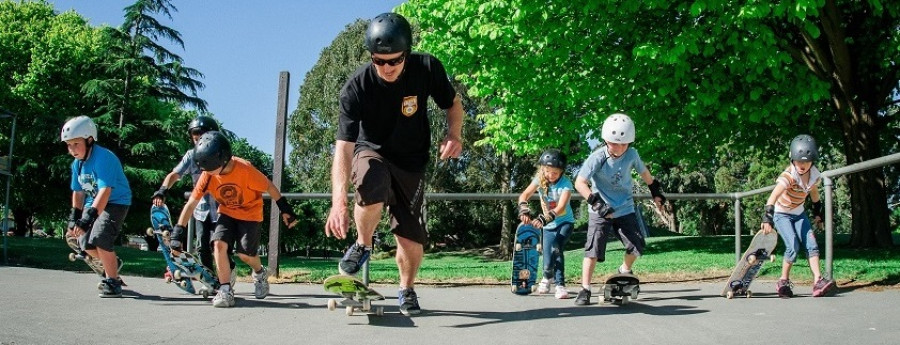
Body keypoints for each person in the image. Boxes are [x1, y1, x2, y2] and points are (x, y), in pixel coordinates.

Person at [324, 12, 463, 316]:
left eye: (394, 61)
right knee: (372, 180)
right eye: (378, 61)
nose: (386, 68)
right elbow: (344, 148)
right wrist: (338, 203)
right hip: (371, 150)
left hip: (412, 161)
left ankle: (407, 289)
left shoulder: (426, 68)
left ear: (407, 54)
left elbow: (453, 103)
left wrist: (454, 134)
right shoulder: (356, 87)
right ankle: (363, 244)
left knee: (410, 238)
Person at [171, 131, 299, 308]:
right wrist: (178, 231)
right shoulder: (208, 176)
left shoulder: (245, 170)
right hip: (227, 212)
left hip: (250, 214)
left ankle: (260, 273)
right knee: (218, 244)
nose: (204, 172)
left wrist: (285, 209)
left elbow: (269, 186)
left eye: (208, 168)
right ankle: (225, 290)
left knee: (245, 255)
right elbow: (192, 203)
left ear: (222, 160)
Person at [573, 113, 666, 306]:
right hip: (600, 209)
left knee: (638, 244)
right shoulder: (597, 157)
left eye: (625, 144)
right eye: (616, 144)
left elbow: (645, 173)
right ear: (606, 140)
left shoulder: (632, 154)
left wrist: (655, 191)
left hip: (625, 207)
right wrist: (596, 203)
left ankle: (624, 270)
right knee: (593, 250)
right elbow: (580, 182)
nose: (620, 148)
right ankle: (585, 289)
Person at [151, 115, 235, 287]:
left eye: (201, 139)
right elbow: (175, 174)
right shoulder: (191, 156)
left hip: (223, 209)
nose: (198, 144)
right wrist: (162, 190)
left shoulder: (223, 155)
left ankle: (228, 272)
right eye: (195, 140)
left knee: (219, 246)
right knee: (202, 246)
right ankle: (210, 280)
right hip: (201, 209)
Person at [61, 116, 132, 298]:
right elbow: (78, 192)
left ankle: (113, 282)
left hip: (116, 201)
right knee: (83, 242)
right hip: (93, 202)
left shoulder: (104, 158)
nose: (72, 150)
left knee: (100, 237)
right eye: (69, 145)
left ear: (89, 140)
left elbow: (105, 191)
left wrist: (87, 218)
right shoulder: (77, 164)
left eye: (76, 144)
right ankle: (112, 263)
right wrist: (74, 217)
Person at [760, 134, 835, 298]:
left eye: (807, 162)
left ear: (812, 161)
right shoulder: (788, 176)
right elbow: (772, 198)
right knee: (793, 246)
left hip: (799, 213)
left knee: (811, 244)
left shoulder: (814, 175)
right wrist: (767, 219)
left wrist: (818, 215)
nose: (802, 165)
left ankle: (818, 281)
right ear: (792, 160)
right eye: (799, 161)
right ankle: (783, 281)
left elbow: (814, 194)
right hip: (781, 214)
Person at [516, 149, 575, 299]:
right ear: (542, 169)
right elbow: (524, 195)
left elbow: (561, 208)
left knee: (557, 248)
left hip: (564, 222)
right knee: (547, 257)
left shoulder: (566, 184)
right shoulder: (539, 179)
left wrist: (543, 218)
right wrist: (524, 209)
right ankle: (547, 277)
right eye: (547, 171)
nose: (550, 175)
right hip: (548, 226)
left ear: (561, 172)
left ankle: (560, 285)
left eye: (555, 173)